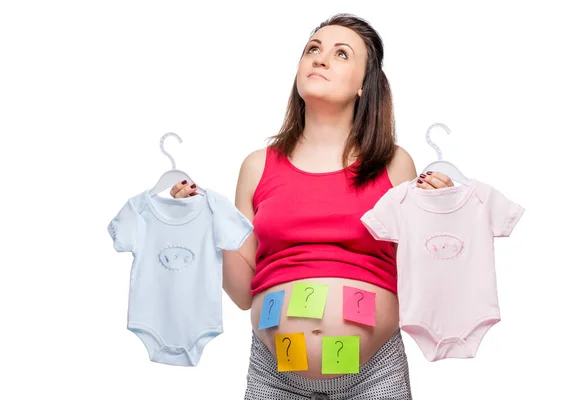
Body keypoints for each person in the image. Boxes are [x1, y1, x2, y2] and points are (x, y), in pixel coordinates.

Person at [170, 13, 455, 400]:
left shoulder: (394, 164)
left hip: (374, 374)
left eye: (341, 54)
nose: (320, 59)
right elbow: (241, 292)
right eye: (312, 49)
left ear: (363, 86)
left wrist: (444, 213)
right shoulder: (257, 166)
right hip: (276, 375)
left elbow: (420, 278)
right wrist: (197, 223)